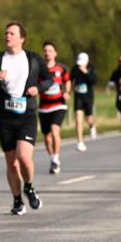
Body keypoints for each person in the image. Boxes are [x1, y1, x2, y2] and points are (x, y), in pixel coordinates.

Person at [0, 22, 52, 215]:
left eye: (12, 33)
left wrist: (38, 89)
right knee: (11, 162)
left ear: (22, 38)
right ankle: (17, 201)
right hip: (5, 118)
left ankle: (29, 187)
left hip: (27, 115)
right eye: (6, 33)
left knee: (24, 158)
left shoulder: (33, 59)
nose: (8, 36)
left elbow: (49, 79)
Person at [38, 41, 71, 174]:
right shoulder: (39, 69)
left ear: (55, 53)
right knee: (47, 138)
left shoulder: (61, 68)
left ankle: (56, 157)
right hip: (43, 106)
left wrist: (67, 91)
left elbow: (67, 81)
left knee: (54, 130)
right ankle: (53, 158)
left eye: (50, 50)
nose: (47, 53)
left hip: (58, 105)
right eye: (45, 50)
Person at [71, 52, 97, 152]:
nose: (80, 65)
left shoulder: (91, 68)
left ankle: (92, 125)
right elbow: (70, 79)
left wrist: (86, 72)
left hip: (88, 97)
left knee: (89, 118)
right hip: (78, 96)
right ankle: (80, 142)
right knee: (78, 116)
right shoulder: (75, 68)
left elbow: (94, 81)